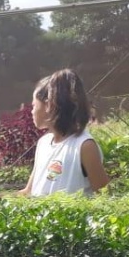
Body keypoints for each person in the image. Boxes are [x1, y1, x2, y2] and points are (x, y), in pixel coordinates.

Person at [20, 69, 109, 197]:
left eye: (34, 105)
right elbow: (28, 192)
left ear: (48, 105)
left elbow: (105, 198)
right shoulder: (43, 143)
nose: (31, 111)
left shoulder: (84, 146)